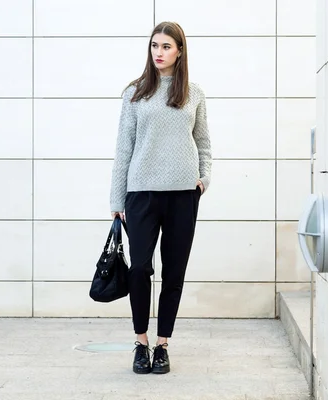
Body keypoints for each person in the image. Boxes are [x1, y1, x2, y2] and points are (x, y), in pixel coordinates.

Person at [109, 21, 212, 374]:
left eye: (166, 46)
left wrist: (204, 179)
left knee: (174, 271)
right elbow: (124, 148)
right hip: (141, 194)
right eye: (155, 45)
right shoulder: (135, 92)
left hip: (183, 194)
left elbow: (203, 143)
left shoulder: (193, 93)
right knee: (139, 268)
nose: (159, 52)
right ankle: (141, 342)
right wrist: (117, 199)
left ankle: (163, 344)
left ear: (179, 51)